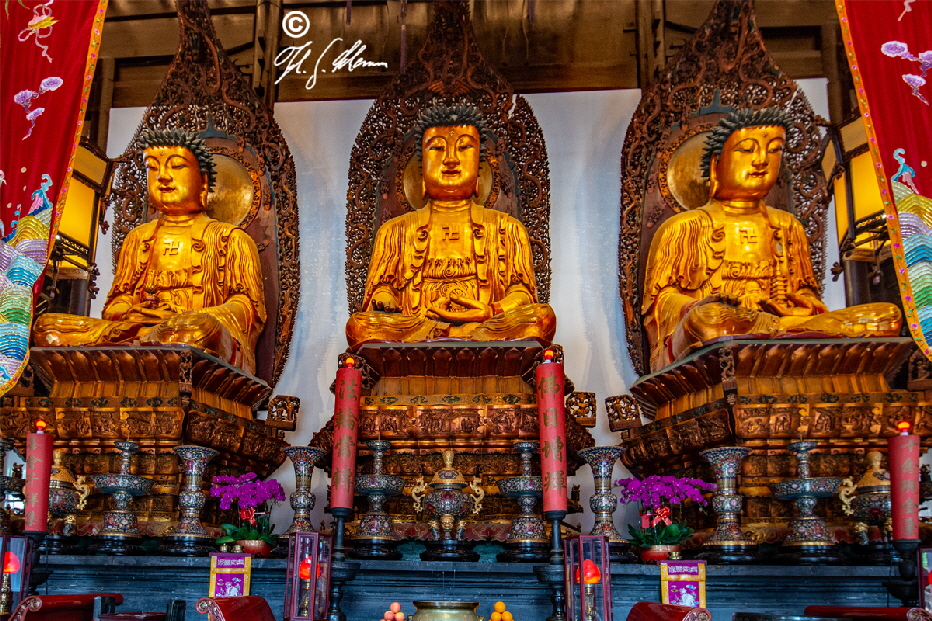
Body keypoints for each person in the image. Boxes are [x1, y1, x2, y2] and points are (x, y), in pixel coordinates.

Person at [642, 107, 901, 372]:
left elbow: (806, 295)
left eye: (774, 149)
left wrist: (802, 307)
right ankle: (780, 336)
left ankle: (781, 334)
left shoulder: (788, 226)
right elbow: (659, 308)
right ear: (716, 164)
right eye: (747, 149)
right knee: (708, 320)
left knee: (886, 316)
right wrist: (698, 306)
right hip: (723, 328)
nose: (761, 160)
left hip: (785, 328)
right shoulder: (685, 227)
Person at [33, 129, 266, 374]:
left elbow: (246, 310)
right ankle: (139, 351)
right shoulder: (138, 238)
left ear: (204, 181)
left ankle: (147, 348)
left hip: (187, 332)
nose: (163, 177)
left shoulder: (232, 239)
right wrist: (127, 315)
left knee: (196, 332)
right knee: (48, 328)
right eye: (152, 168)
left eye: (176, 166)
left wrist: (183, 316)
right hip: (135, 332)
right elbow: (117, 301)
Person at [345, 104, 556, 348]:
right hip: (417, 331)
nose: (451, 159)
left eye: (465, 147)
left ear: (479, 167)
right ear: (421, 171)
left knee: (541, 318)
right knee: (360, 326)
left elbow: (522, 295)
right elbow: (378, 292)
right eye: (436, 148)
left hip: (486, 329)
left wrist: (490, 311)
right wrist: (384, 298)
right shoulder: (394, 231)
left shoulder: (507, 229)